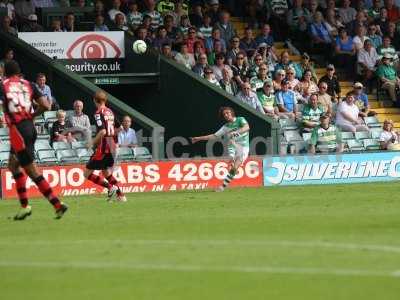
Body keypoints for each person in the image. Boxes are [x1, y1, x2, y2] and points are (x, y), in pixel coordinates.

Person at [0, 60, 68, 220]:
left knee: (31, 170)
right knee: (12, 165)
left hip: (18, 131)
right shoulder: (28, 84)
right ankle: (24, 206)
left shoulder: (4, 85)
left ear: (5, 72)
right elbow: (46, 105)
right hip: (29, 128)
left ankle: (57, 204)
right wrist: (31, 115)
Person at [191, 107, 250, 192]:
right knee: (230, 145)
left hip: (243, 148)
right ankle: (231, 160)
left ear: (232, 113)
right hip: (233, 146)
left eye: (227, 113)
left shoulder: (240, 119)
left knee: (234, 168)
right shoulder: (226, 127)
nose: (226, 115)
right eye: (224, 114)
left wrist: (236, 133)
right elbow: (214, 136)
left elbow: (247, 127)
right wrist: (198, 138)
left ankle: (223, 186)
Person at [84, 90, 126, 202]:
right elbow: (120, 128)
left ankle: (110, 187)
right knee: (106, 172)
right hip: (112, 146)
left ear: (94, 100)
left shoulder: (98, 113)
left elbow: (102, 132)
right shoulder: (110, 112)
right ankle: (121, 195)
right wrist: (112, 136)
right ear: (105, 100)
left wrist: (91, 143)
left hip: (104, 147)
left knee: (87, 173)